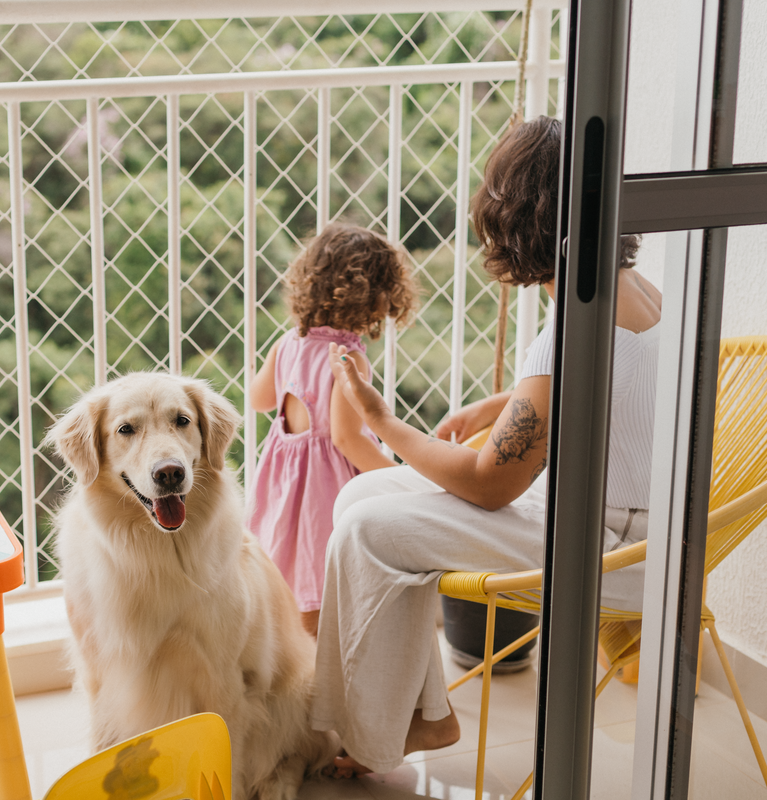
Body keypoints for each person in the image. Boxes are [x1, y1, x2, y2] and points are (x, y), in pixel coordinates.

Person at [311, 116, 660, 775]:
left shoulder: (575, 323)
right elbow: (605, 389)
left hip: (616, 550)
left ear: (520, 215)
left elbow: (487, 481)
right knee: (364, 491)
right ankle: (419, 716)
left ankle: (371, 732)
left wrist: (381, 418)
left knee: (366, 530)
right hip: (624, 520)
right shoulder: (634, 290)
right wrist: (502, 404)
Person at [246, 222, 419, 637]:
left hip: (283, 480)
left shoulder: (289, 343)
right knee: (320, 582)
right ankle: (322, 676)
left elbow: (259, 400)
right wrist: (399, 478)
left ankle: (290, 658)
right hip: (325, 488)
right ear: (375, 296)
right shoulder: (347, 359)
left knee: (288, 572)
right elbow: (346, 438)